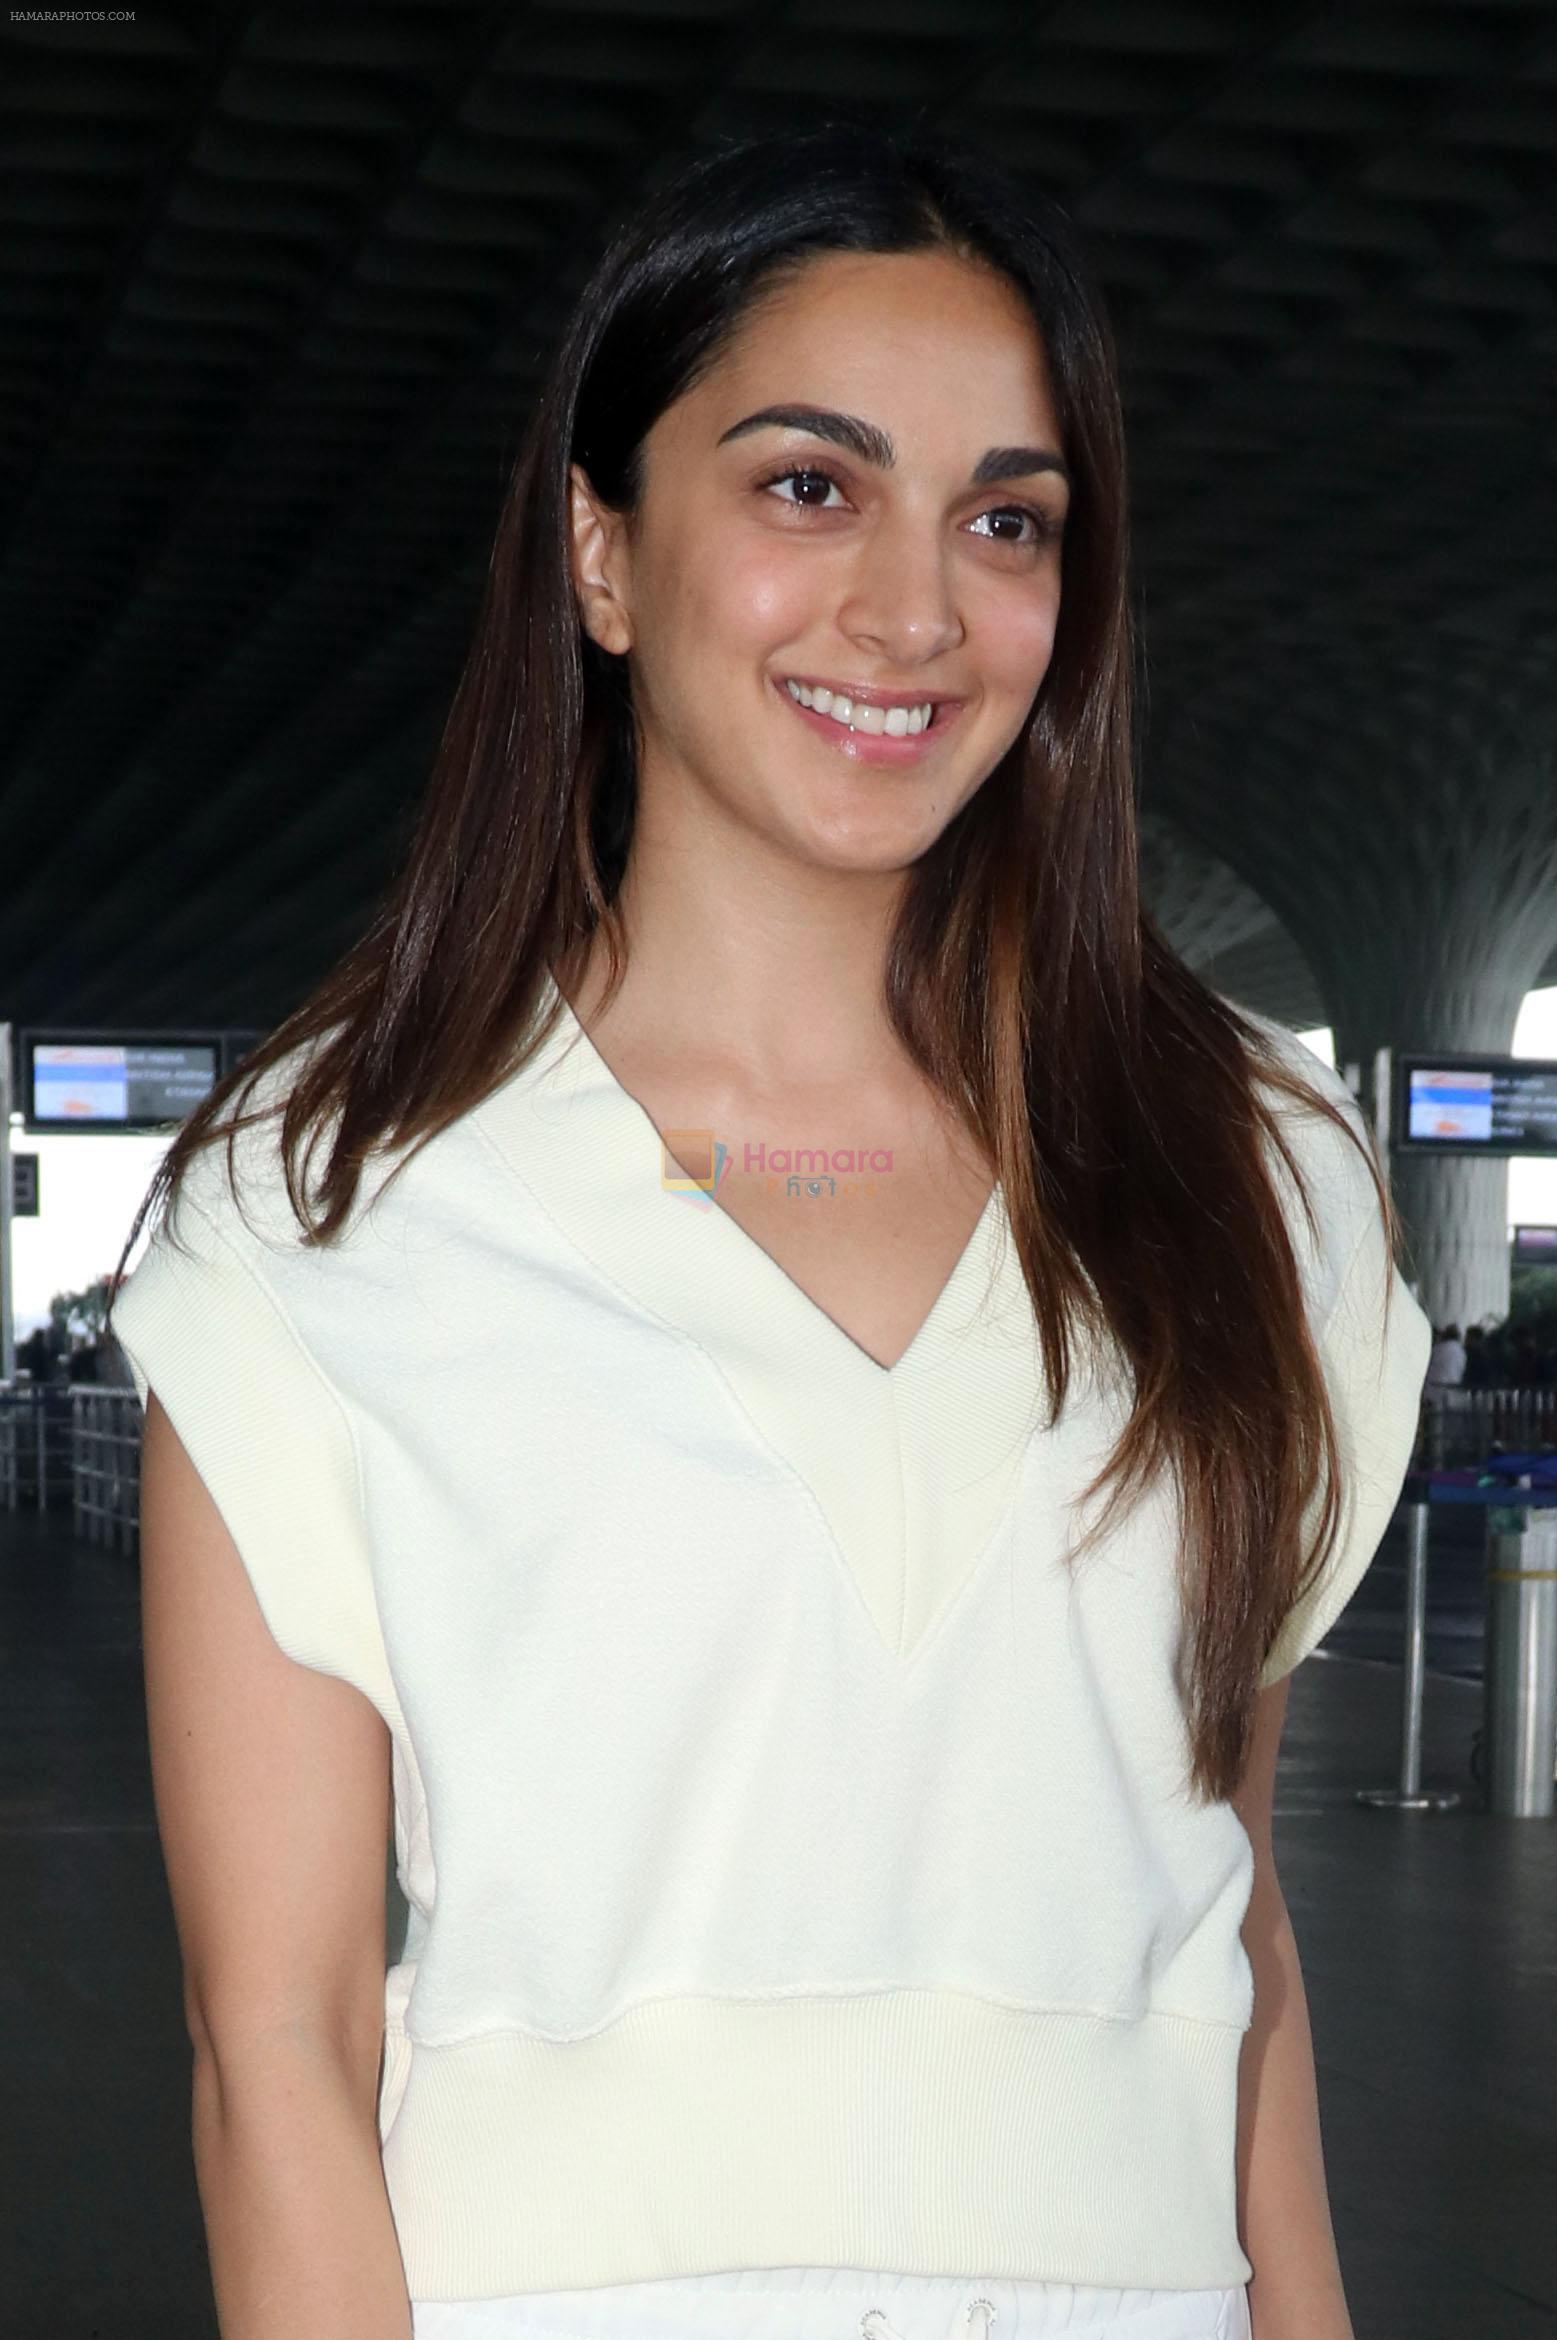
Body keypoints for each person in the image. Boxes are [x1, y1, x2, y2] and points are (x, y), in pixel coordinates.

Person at [107, 126, 1432, 2340]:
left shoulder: (1255, 1176)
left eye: (1006, 520)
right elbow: (279, 2051)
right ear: (602, 556)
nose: (915, 610)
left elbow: (1235, 1945)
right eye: (811, 486)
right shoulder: (326, 1211)